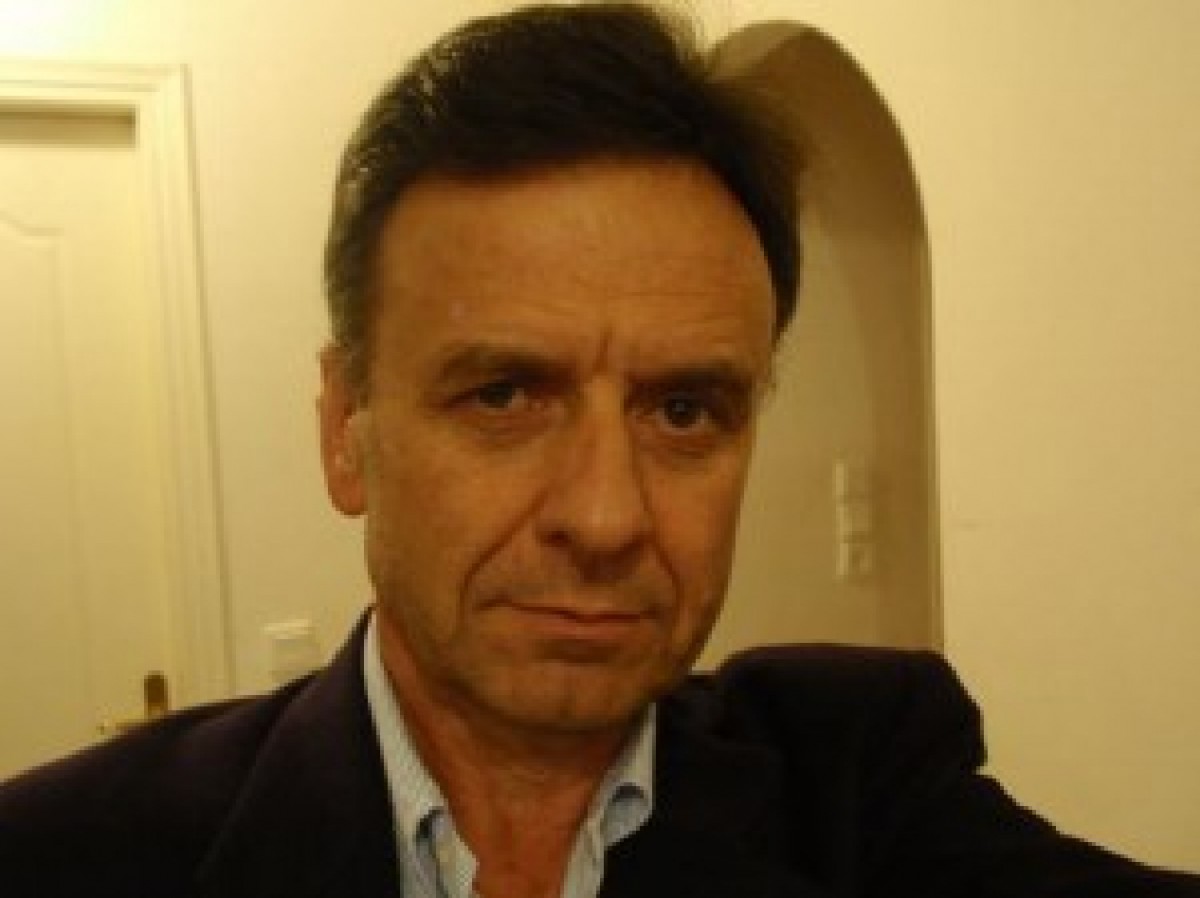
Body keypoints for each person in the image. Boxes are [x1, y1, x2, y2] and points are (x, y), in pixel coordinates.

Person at [0, 3, 1196, 896]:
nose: (608, 515)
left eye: (683, 411)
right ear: (344, 431)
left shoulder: (856, 786)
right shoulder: (64, 854)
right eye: (505, 394)